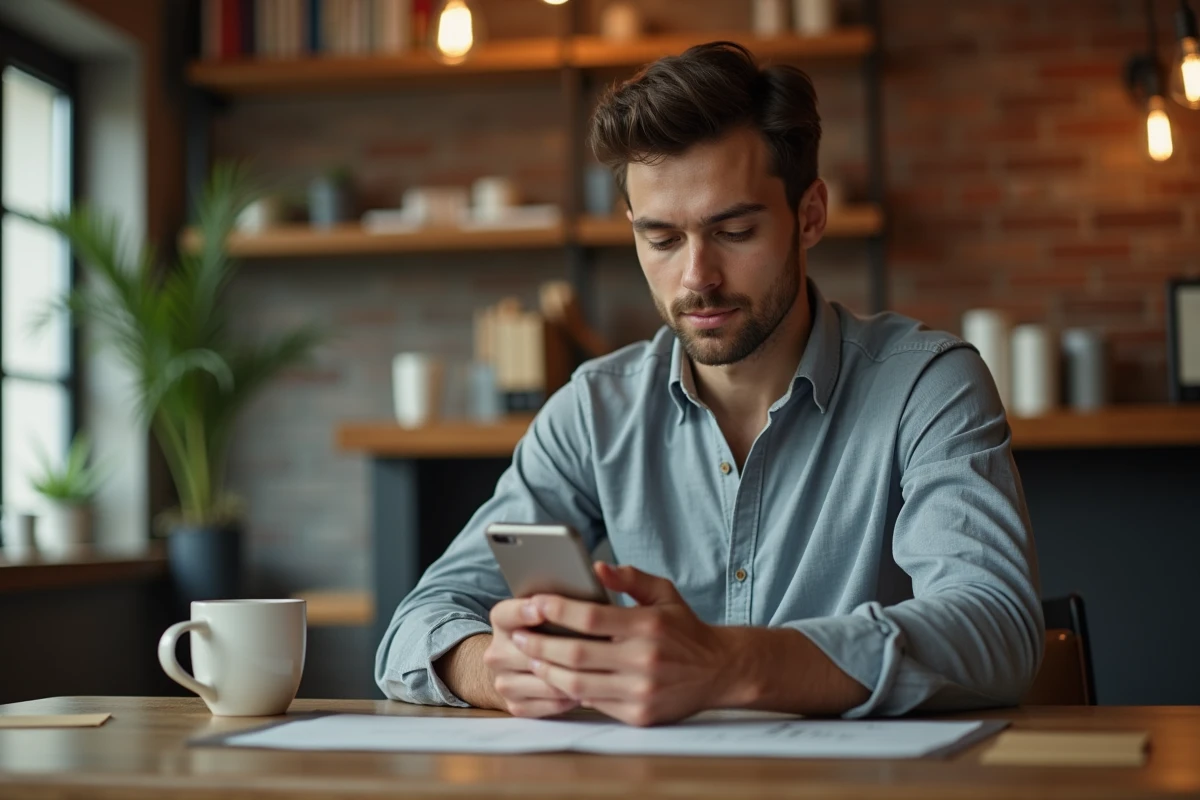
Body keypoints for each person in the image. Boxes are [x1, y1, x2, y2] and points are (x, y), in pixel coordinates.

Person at [375, 41, 1043, 727]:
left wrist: (727, 665)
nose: (697, 277)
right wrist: (497, 670)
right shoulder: (593, 411)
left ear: (810, 215)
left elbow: (995, 630)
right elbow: (416, 625)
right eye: (662, 240)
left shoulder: (927, 386)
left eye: (735, 230)